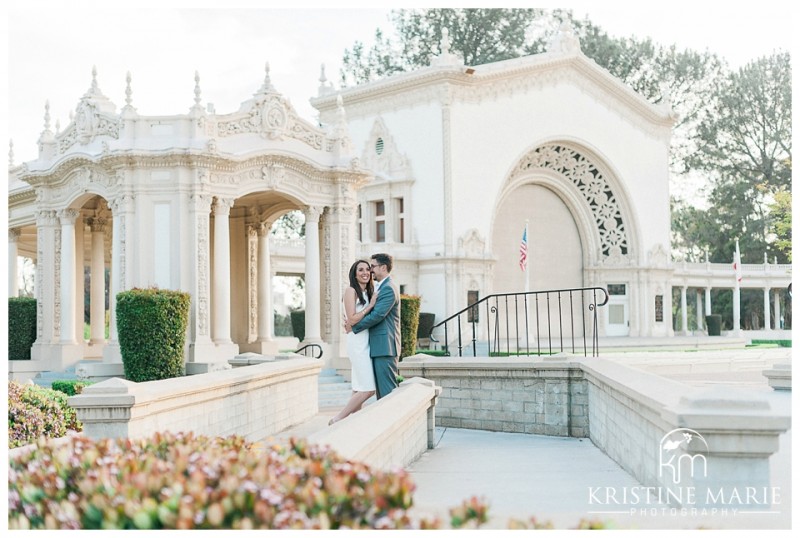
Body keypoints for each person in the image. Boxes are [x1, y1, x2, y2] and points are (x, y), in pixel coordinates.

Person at [329, 260, 378, 425]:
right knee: (369, 389)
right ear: (354, 274)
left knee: (359, 388)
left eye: (367, 270)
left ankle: (354, 423)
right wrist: (370, 307)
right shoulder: (351, 291)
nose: (365, 272)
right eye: (360, 270)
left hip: (366, 342)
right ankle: (338, 419)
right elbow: (352, 318)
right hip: (357, 343)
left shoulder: (370, 291)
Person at [347, 253, 401, 400]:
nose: (370, 270)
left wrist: (354, 327)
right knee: (380, 393)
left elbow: (377, 315)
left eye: (372, 266)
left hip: (385, 347)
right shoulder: (380, 288)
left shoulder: (388, 288)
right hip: (378, 346)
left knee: (387, 393)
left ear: (383, 267)